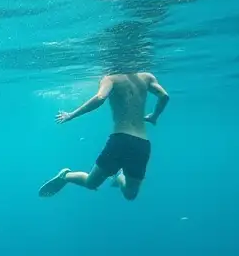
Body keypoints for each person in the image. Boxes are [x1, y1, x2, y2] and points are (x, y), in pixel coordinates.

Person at [38, 71, 169, 201]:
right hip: (134, 142)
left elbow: (100, 98)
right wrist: (154, 115)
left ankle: (118, 176)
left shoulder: (111, 78)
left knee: (112, 189)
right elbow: (164, 96)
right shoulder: (146, 77)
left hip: (129, 141)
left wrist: (71, 115)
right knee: (114, 189)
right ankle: (65, 175)